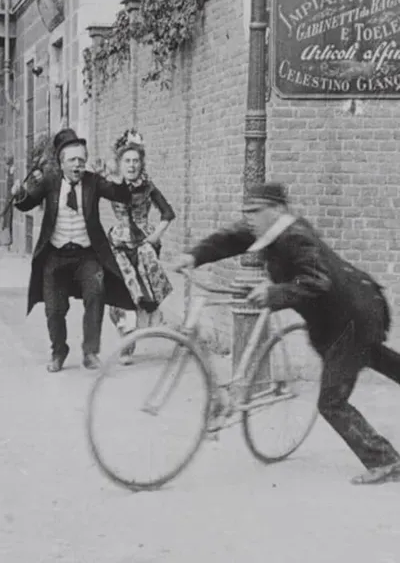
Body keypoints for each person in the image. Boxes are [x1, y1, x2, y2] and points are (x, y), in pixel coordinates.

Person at [174, 182, 400, 485]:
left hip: (353, 319)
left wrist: (275, 292)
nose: (249, 218)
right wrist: (194, 256)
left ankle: (386, 461)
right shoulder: (266, 231)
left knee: (331, 402)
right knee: (374, 358)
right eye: (246, 212)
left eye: (255, 211)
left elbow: (317, 281)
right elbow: (228, 240)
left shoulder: (295, 236)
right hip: (343, 316)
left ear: (277, 210)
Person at [12, 128, 136, 373]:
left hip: (87, 255)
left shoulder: (93, 182)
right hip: (55, 255)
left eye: (82, 160)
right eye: (73, 160)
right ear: (62, 163)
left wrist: (118, 177)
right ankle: (59, 352)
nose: (78, 165)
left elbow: (120, 195)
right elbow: (28, 202)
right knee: (54, 309)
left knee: (96, 292)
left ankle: (90, 352)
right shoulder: (50, 181)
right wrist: (19, 194)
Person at [107, 129, 175, 364]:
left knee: (142, 292)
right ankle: (127, 344)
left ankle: (144, 325)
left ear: (141, 163)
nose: (132, 165)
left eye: (136, 161)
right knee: (121, 294)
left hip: (143, 245)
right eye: (127, 161)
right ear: (120, 163)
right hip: (118, 244)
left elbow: (168, 212)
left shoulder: (148, 187)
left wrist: (155, 235)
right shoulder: (111, 185)